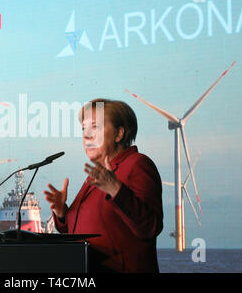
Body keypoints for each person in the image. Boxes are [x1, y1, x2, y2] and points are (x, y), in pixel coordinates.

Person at [44, 98, 163, 273]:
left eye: (95, 127)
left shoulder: (137, 164)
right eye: (83, 128)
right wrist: (62, 214)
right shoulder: (98, 175)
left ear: (118, 134)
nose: (86, 135)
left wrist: (116, 190)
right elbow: (84, 231)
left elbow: (150, 227)